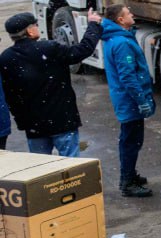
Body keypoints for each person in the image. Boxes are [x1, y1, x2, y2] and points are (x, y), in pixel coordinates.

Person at [0, 9, 102, 156]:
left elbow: (10, 95)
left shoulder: (6, 58)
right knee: (71, 165)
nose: (37, 27)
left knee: (41, 165)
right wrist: (93, 25)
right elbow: (82, 51)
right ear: (29, 31)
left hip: (34, 126)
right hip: (62, 121)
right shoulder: (49, 48)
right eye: (35, 25)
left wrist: (23, 121)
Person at [100, 4, 156, 197]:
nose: (132, 14)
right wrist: (141, 100)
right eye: (128, 13)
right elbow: (128, 77)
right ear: (120, 20)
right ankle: (127, 182)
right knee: (131, 142)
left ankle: (130, 175)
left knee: (131, 140)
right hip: (129, 101)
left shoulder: (117, 38)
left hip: (126, 99)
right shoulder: (122, 43)